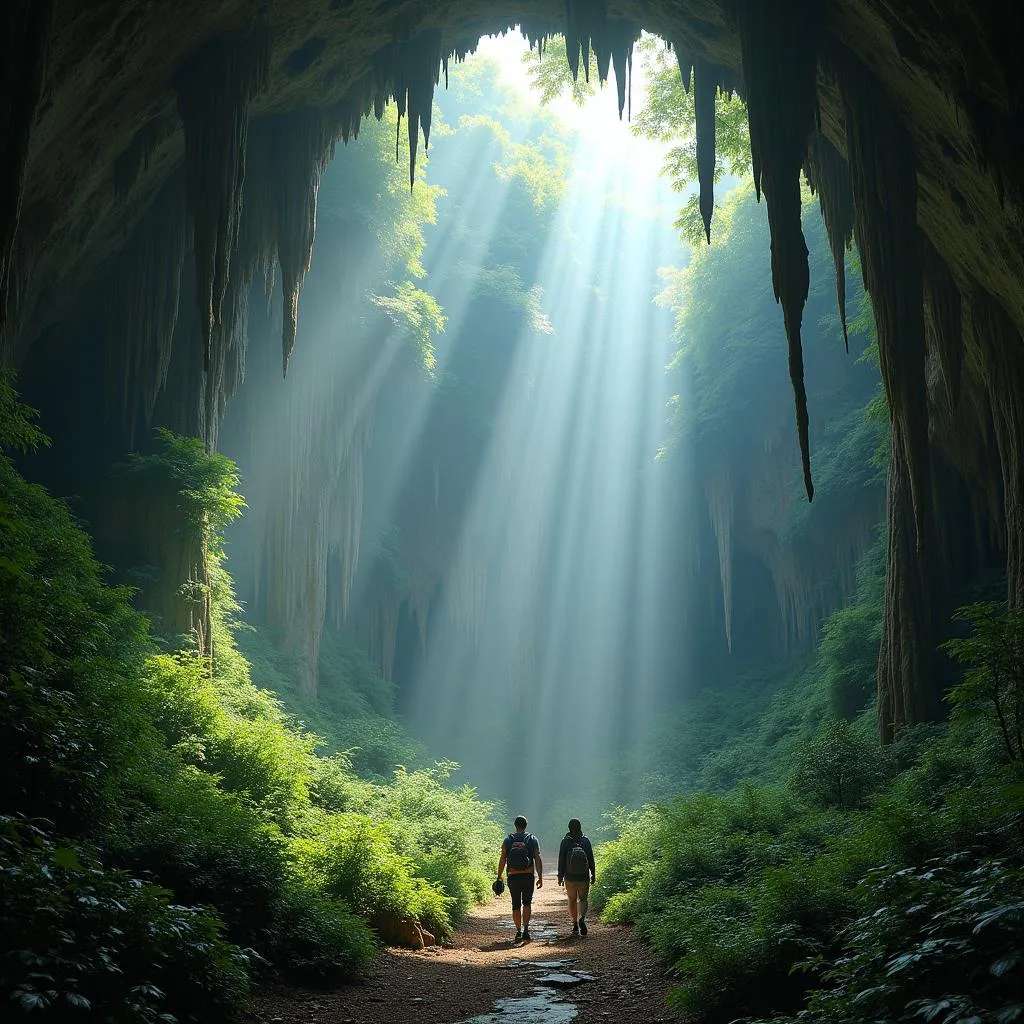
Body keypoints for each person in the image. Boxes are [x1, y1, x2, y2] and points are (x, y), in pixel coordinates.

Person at [495, 814, 543, 942]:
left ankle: (518, 931)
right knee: (527, 902)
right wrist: (540, 876)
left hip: (513, 876)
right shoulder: (532, 839)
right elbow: (537, 858)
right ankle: (526, 929)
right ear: (526, 826)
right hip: (528, 875)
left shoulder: (508, 840)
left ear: (515, 826)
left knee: (515, 904)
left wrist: (499, 876)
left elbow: (502, 859)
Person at [557, 818, 595, 935]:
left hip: (569, 877)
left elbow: (561, 860)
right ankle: (582, 919)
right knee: (583, 899)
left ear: (569, 828)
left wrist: (560, 876)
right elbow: (590, 858)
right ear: (580, 827)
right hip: (583, 876)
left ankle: (574, 924)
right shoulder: (585, 840)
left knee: (572, 900)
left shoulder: (565, 841)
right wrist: (593, 873)